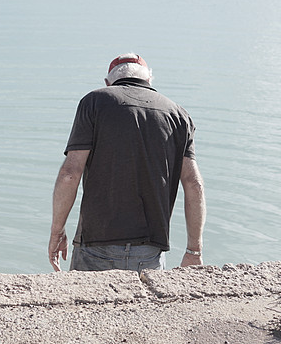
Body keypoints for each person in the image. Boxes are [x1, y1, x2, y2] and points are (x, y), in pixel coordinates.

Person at [49, 53, 206, 272]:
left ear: (108, 82)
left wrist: (58, 230)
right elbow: (194, 184)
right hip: (150, 251)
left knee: (87, 307)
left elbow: (70, 174)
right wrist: (194, 251)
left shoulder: (94, 102)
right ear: (150, 80)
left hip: (95, 247)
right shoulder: (178, 115)